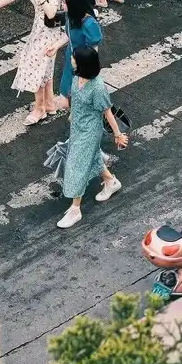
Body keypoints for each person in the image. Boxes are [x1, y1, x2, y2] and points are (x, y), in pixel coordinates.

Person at [58, 45, 128, 229]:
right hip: (77, 127)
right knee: (92, 157)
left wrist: (118, 134)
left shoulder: (97, 87)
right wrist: (73, 113)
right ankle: (111, 181)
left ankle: (75, 209)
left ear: (83, 63)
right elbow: (76, 99)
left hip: (90, 131)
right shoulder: (77, 77)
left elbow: (108, 113)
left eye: (74, 58)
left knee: (77, 166)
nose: (71, 60)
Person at [47, 0, 103, 111]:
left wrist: (83, 71)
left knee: (77, 102)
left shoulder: (89, 24)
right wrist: (56, 46)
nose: (62, 6)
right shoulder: (70, 16)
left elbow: (93, 50)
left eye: (64, 3)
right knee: (65, 94)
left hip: (83, 66)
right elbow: (69, 36)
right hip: (71, 61)